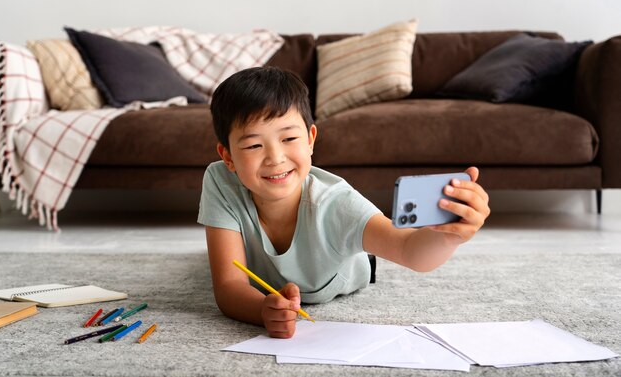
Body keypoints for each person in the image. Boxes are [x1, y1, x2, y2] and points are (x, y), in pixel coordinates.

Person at [198, 67, 490, 339]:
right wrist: (262, 310)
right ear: (228, 157)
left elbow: (410, 251)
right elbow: (229, 286)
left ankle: (360, 252)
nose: (275, 157)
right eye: (253, 145)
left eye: (289, 138)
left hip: (338, 270)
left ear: (310, 140)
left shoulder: (336, 203)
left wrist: (449, 235)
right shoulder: (220, 180)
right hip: (269, 275)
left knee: (364, 242)